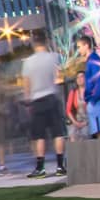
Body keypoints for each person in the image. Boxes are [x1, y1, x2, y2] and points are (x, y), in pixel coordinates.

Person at [21, 29, 66, 177]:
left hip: (37, 101)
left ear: (34, 43)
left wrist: (28, 101)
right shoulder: (54, 57)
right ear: (46, 41)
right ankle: (60, 166)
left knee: (39, 135)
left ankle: (40, 168)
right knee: (57, 133)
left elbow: (26, 85)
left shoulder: (28, 62)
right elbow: (60, 76)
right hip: (52, 98)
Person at [77, 32, 100, 140]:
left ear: (86, 46)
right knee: (98, 131)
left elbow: (99, 81)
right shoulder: (92, 60)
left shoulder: (93, 60)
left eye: (79, 47)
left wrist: (93, 99)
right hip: (93, 99)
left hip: (96, 100)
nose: (79, 50)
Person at [67, 71, 88, 141]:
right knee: (72, 133)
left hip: (88, 120)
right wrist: (75, 122)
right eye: (77, 77)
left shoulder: (91, 91)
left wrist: (86, 122)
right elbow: (68, 110)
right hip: (76, 120)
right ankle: (75, 151)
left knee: (85, 133)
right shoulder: (73, 93)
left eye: (81, 76)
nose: (79, 79)